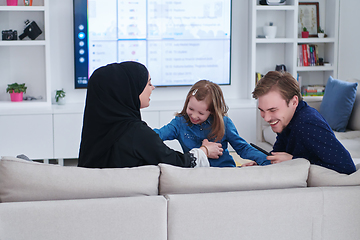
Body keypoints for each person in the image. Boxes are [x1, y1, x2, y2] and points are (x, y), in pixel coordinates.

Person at [78, 61, 223, 168]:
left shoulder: (94, 129)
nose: (152, 87)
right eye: (148, 83)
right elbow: (177, 163)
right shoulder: (136, 134)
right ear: (129, 91)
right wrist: (204, 151)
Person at [252, 71, 356, 174]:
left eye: (273, 110)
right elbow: (279, 153)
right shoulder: (285, 120)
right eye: (262, 110)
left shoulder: (307, 123)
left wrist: (294, 161)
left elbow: (346, 167)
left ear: (294, 102)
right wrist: (260, 164)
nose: (266, 118)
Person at [154, 80, 270, 167]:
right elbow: (157, 135)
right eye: (191, 109)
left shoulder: (224, 123)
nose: (194, 116)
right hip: (195, 174)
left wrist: (267, 161)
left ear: (212, 111)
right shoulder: (179, 122)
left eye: (200, 112)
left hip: (224, 171)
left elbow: (242, 148)